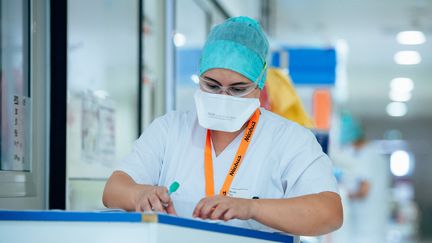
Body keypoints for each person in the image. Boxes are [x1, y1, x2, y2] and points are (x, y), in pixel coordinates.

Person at [103, 16, 342, 236]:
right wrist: (139, 194)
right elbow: (114, 189)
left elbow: (329, 212)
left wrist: (252, 208)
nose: (223, 96)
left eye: (238, 89)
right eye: (212, 86)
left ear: (260, 84)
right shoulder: (170, 129)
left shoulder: (290, 140)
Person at [332, 112, 390, 243]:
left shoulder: (367, 155)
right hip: (370, 227)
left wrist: (341, 195)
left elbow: (364, 190)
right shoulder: (369, 153)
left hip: (368, 230)